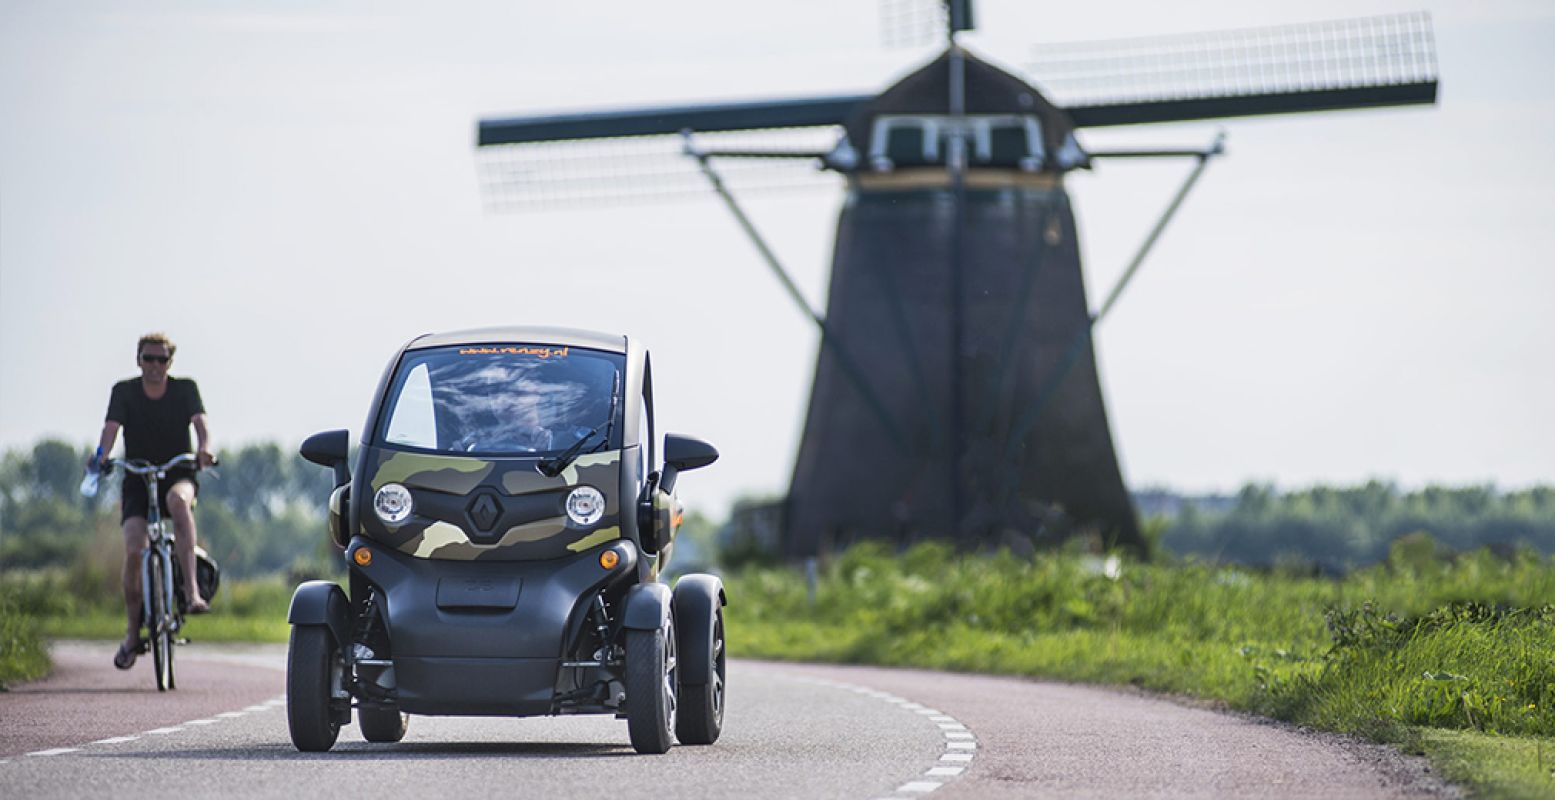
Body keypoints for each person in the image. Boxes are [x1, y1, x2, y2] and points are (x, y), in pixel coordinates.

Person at [92, 333, 216, 670]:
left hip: (178, 471)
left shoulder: (185, 389)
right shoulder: (124, 392)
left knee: (179, 503)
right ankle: (133, 634)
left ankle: (191, 592)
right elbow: (110, 428)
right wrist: (101, 456)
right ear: (138, 360)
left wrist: (204, 447)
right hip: (136, 477)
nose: (155, 366)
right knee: (134, 548)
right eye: (149, 359)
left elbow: (200, 423)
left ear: (170, 363)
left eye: (162, 360)